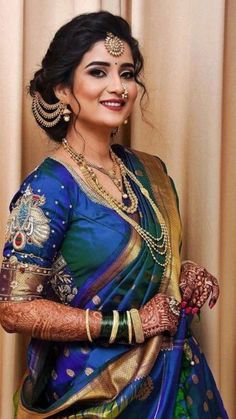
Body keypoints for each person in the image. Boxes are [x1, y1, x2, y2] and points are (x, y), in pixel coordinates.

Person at [0, 11, 228, 419]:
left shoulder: (151, 172)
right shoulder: (48, 189)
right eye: (99, 72)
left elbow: (154, 260)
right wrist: (132, 325)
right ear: (63, 90)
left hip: (176, 379)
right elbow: (14, 309)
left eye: (127, 73)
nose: (118, 87)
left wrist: (184, 275)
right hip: (96, 392)